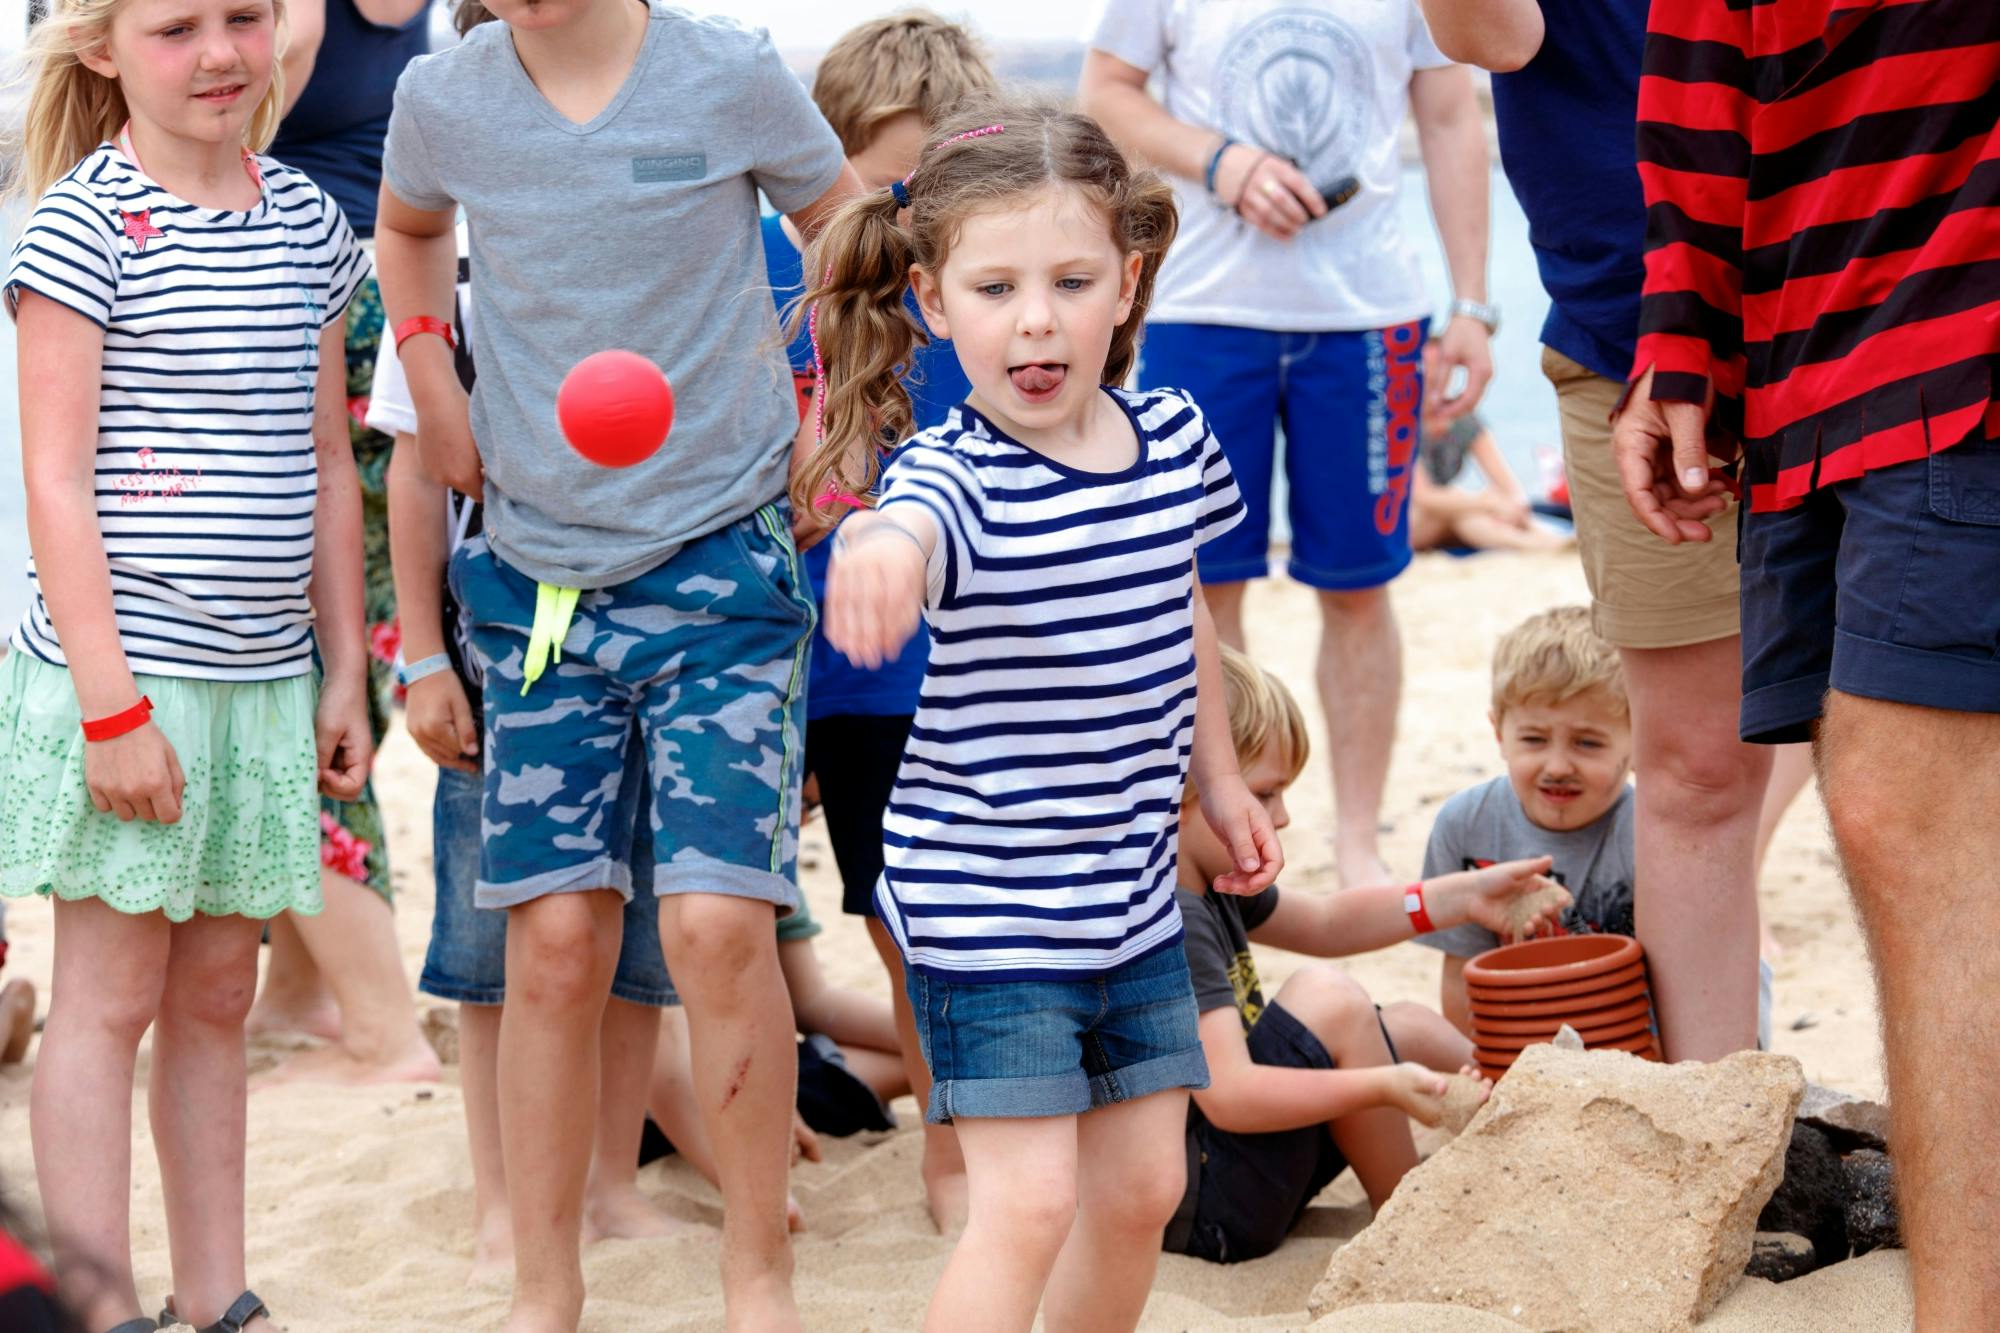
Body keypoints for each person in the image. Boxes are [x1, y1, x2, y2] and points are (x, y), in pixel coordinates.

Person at [374, 1, 863, 1325]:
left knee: (713, 925)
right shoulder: (446, 97)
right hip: (537, 584)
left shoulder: (728, 75)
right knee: (554, 946)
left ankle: (756, 1269)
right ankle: (547, 1292)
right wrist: (431, 374)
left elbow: (850, 231)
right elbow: (409, 231)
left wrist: (841, 414)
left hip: (726, 563)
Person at [802, 95, 1282, 1333]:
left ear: (1125, 284)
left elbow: (1182, 610)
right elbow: (903, 523)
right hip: (985, 909)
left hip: (1127, 892)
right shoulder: (949, 474)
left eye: (1069, 281)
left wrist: (1215, 782)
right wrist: (871, 543)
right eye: (994, 286)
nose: (1034, 318)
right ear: (928, 300)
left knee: (1141, 1188)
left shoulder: (1170, 435)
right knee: (1022, 1203)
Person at [1611, 4, 2000, 1323]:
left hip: (1958, 298)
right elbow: (1699, 53)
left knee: (1912, 813)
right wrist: (1684, 328)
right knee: (1890, 820)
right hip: (1806, 330)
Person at [2, 0, 369, 1328]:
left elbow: (330, 460)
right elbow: (54, 482)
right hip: (128, 677)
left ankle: (217, 1297)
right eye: (175, 28)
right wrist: (111, 708)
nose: (220, 52)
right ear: (101, 49)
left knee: (220, 991)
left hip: (264, 680)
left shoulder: (309, 225)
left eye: (244, 16)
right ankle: (98, 1306)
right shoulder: (82, 227)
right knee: (108, 999)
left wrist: (342, 671)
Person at [1414, 0, 1811, 1061]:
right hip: (1622, 329)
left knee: (1901, 749)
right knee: (1691, 766)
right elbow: (1484, 35)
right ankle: (1713, 1118)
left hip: (1860, 305)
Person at [1080, 0, 1495, 890]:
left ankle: (1354, 843)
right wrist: (1219, 160)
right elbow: (1108, 92)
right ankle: (1227, 822)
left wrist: (1472, 303)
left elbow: (1452, 111)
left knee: (1357, 588)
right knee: (1206, 584)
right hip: (1200, 307)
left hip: (1368, 313)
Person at [372, 218, 686, 1280]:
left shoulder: (663, 236)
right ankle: (504, 1200)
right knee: (493, 943)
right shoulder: (438, 262)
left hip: (661, 650)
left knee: (636, 934)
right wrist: (421, 659)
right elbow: (412, 475)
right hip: (498, 660)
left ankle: (609, 1184)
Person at [762, 7, 996, 1234]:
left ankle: (952, 1156)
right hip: (786, 652)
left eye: (928, 174)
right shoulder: (765, 259)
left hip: (926, 670)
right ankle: (755, 1127)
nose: (900, 200)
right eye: (876, 172)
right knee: (779, 912)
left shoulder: (980, 280)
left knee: (920, 916)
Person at [1169, 645, 1563, 1264]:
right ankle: (1409, 1222)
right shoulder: (1176, 918)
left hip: (1240, 1168)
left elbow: (1327, 922)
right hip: (1214, 1207)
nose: (1282, 816)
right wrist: (1382, 1085)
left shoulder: (1212, 882)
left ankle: (1550, 1127)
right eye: (1265, 794)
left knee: (1400, 1024)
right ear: (1189, 791)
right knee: (1332, 1002)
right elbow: (1232, 1096)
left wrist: (1462, 897)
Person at [245, 0, 439, 1090]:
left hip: (313, 302)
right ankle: (304, 993)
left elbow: (236, 121)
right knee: (350, 648)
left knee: (305, 673)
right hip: (393, 298)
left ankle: (380, 1023)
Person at [1409, 413, 1568, 553]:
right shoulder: (1402, 423)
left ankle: (1539, 540)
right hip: (1410, 521)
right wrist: (1487, 503)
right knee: (1459, 501)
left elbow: (1511, 489)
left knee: (1472, 507)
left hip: (1447, 517)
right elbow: (1423, 497)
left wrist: (1504, 505)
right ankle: (1539, 543)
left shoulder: (1464, 421)